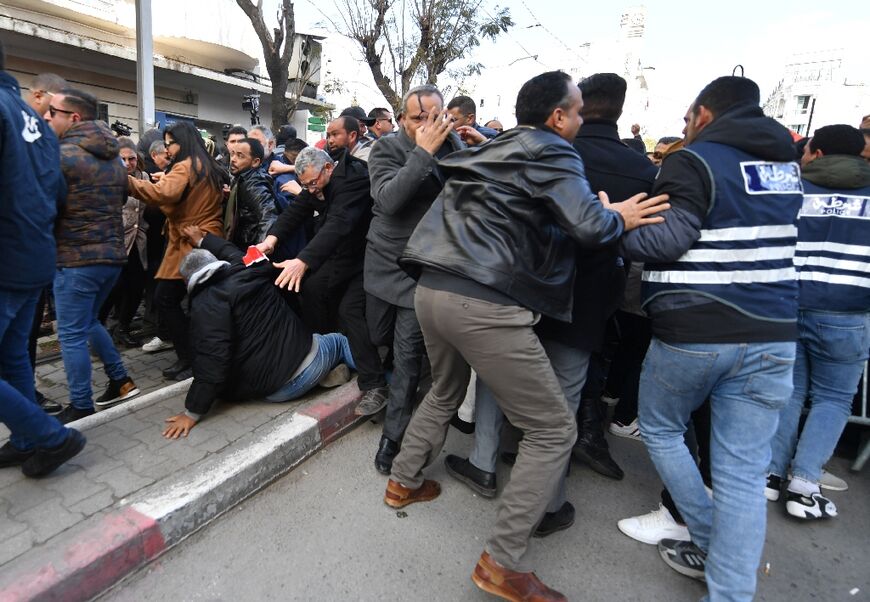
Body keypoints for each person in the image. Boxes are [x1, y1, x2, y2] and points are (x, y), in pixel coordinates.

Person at [384, 70, 669, 602]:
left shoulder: (494, 147)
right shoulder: (555, 150)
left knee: (444, 390)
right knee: (553, 431)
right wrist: (619, 217)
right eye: (576, 111)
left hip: (432, 288)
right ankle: (502, 563)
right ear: (558, 117)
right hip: (482, 303)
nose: (580, 120)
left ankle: (403, 480)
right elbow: (590, 227)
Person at [619, 76, 802, 600]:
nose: (683, 127)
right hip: (773, 333)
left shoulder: (694, 160)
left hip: (696, 327)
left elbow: (667, 240)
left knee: (661, 429)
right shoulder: (786, 168)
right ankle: (730, 590)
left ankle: (706, 538)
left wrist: (617, 223)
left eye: (686, 119)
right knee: (742, 475)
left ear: (703, 114)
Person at [449, 73, 658, 530]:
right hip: (584, 301)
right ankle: (547, 503)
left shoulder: (532, 150)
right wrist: (614, 220)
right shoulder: (639, 169)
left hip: (521, 290)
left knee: (497, 380)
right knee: (560, 404)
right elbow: (618, 234)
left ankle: (484, 463)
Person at [765, 124, 870, 519]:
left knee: (789, 392)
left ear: (819, 153)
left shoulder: (791, 189)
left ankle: (769, 475)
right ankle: (805, 486)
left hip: (788, 305)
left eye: (807, 150)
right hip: (848, 313)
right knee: (834, 398)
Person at [161, 226, 355, 439]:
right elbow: (233, 252)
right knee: (338, 340)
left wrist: (192, 412)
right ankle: (373, 373)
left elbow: (211, 359)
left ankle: (323, 376)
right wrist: (202, 239)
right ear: (216, 262)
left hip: (273, 392)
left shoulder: (203, 306)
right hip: (306, 365)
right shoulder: (249, 268)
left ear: (188, 281)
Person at [360, 84, 464, 475]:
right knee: (377, 336)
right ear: (402, 118)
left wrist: (469, 146)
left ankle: (393, 438)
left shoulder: (452, 146)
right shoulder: (386, 148)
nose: (426, 124)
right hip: (384, 259)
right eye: (418, 117)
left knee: (407, 357)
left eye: (434, 116)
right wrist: (423, 152)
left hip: (422, 267)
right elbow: (387, 200)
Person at [0, 40, 86, 476]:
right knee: (13, 356)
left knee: (14, 354)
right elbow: (57, 194)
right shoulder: (33, 119)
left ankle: (50, 436)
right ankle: (26, 438)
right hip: (34, 254)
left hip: (7, 257)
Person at [257, 147, 390, 417]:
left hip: (367, 258)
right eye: (305, 185)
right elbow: (297, 210)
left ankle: (375, 384)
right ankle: (327, 352)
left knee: (350, 310)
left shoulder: (353, 179)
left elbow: (338, 225)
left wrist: (303, 261)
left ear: (328, 168)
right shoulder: (318, 182)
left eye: (312, 183)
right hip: (340, 256)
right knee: (311, 288)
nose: (310, 189)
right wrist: (271, 240)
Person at [43, 87, 140, 423]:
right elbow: (119, 200)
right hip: (111, 256)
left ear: (73, 117)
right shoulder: (113, 157)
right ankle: (121, 380)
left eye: (52, 113)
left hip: (75, 259)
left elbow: (47, 207)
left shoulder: (61, 155)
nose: (47, 118)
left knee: (70, 333)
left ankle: (80, 404)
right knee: (87, 322)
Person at [127, 121, 227, 381]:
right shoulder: (206, 164)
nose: (168, 149)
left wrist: (127, 182)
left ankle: (190, 358)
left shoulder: (185, 166)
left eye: (170, 143)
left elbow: (163, 194)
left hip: (189, 241)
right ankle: (198, 355)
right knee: (197, 302)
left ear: (183, 142)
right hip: (205, 240)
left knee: (167, 299)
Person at [24, 72, 68, 416]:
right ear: (39, 96)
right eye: (55, 111)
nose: (55, 119)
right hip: (23, 250)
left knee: (21, 338)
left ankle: (27, 403)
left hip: (31, 251)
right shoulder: (28, 130)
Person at [99, 137, 149, 348]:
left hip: (138, 242)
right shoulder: (106, 178)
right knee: (113, 288)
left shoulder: (144, 177)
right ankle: (97, 332)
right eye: (123, 159)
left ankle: (123, 328)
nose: (128, 163)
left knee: (136, 287)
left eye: (132, 159)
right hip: (115, 241)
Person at [225, 137, 278, 251]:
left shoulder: (253, 183)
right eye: (232, 154)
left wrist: (259, 251)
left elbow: (268, 214)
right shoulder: (242, 176)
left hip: (248, 246)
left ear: (255, 162)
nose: (233, 159)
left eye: (240, 156)